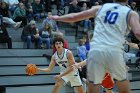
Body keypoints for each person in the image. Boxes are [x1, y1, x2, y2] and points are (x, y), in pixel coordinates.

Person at [50, 0, 140, 93]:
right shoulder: (131, 13)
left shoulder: (99, 8)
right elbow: (137, 32)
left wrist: (58, 17)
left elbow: (74, 17)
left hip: (96, 51)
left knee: (93, 88)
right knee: (123, 87)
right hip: (114, 51)